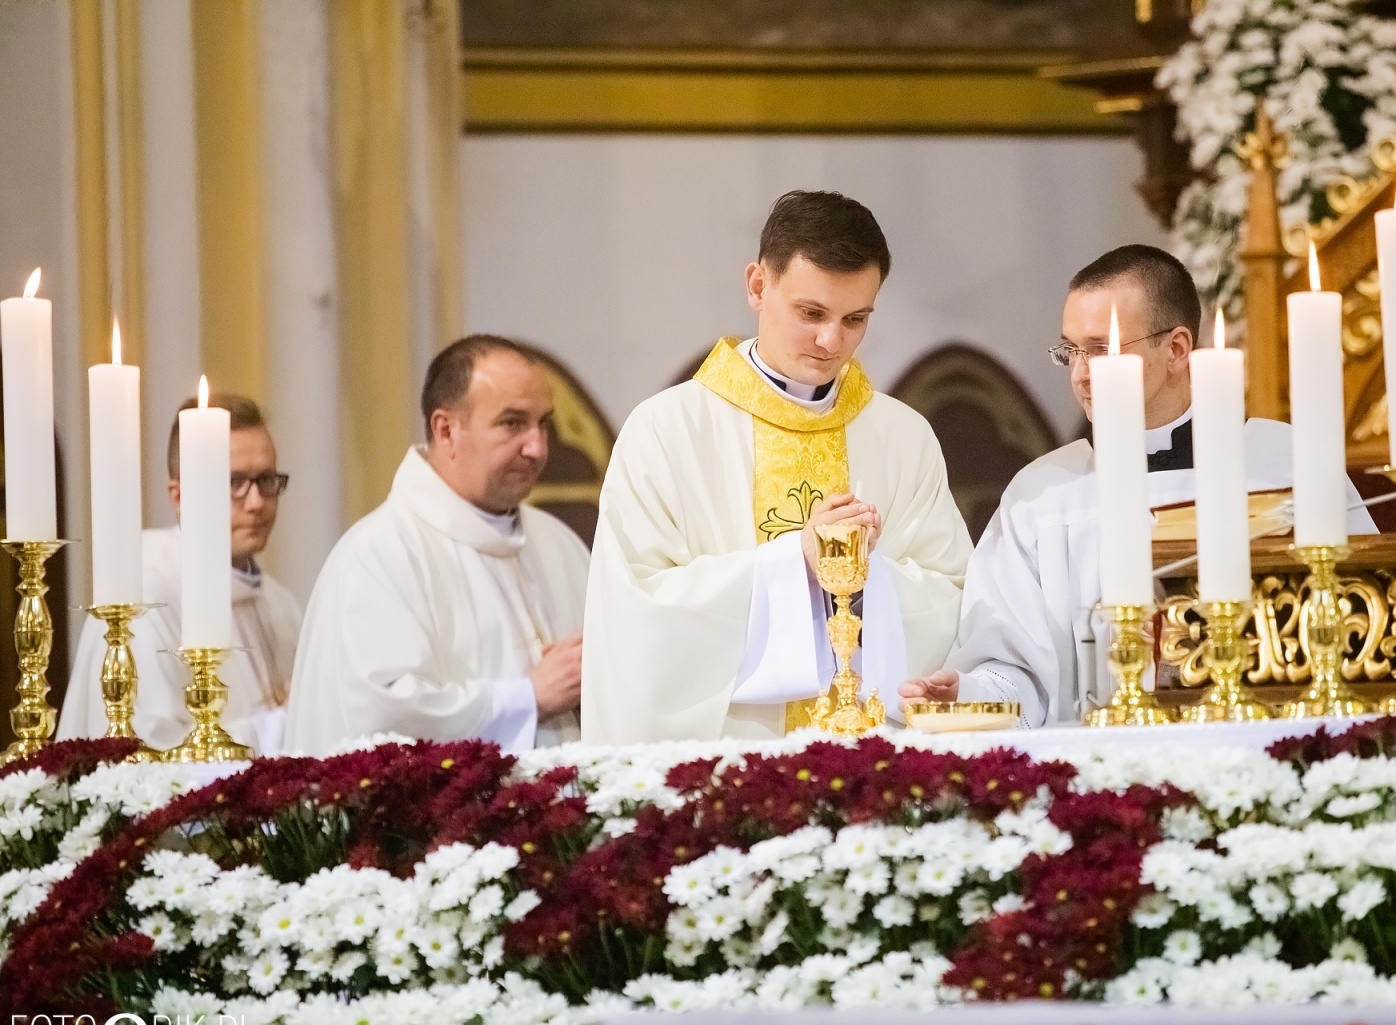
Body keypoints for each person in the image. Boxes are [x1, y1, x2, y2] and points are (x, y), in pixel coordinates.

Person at [900, 245, 1376, 727]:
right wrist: (973, 695)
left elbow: (1371, 618)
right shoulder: (1041, 495)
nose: (1080, 374)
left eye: (1101, 350)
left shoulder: (1291, 464)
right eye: (1070, 351)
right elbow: (1014, 668)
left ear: (1175, 350)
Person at [582, 190, 971, 742]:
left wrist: (864, 578)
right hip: (728, 768)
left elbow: (955, 598)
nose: (832, 340)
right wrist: (795, 564)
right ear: (758, 286)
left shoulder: (902, 435)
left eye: (855, 318)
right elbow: (633, 618)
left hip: (873, 765)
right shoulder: (666, 431)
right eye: (811, 313)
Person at [285, 335, 589, 755]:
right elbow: (382, 717)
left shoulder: (559, 544)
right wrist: (527, 699)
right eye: (512, 423)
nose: (537, 447)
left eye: (543, 424)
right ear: (446, 430)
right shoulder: (380, 555)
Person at [59, 394, 302, 754]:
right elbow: (147, 754)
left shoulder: (281, 606)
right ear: (178, 496)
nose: (256, 503)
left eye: (266, 479)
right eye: (234, 482)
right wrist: (283, 723)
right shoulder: (143, 593)